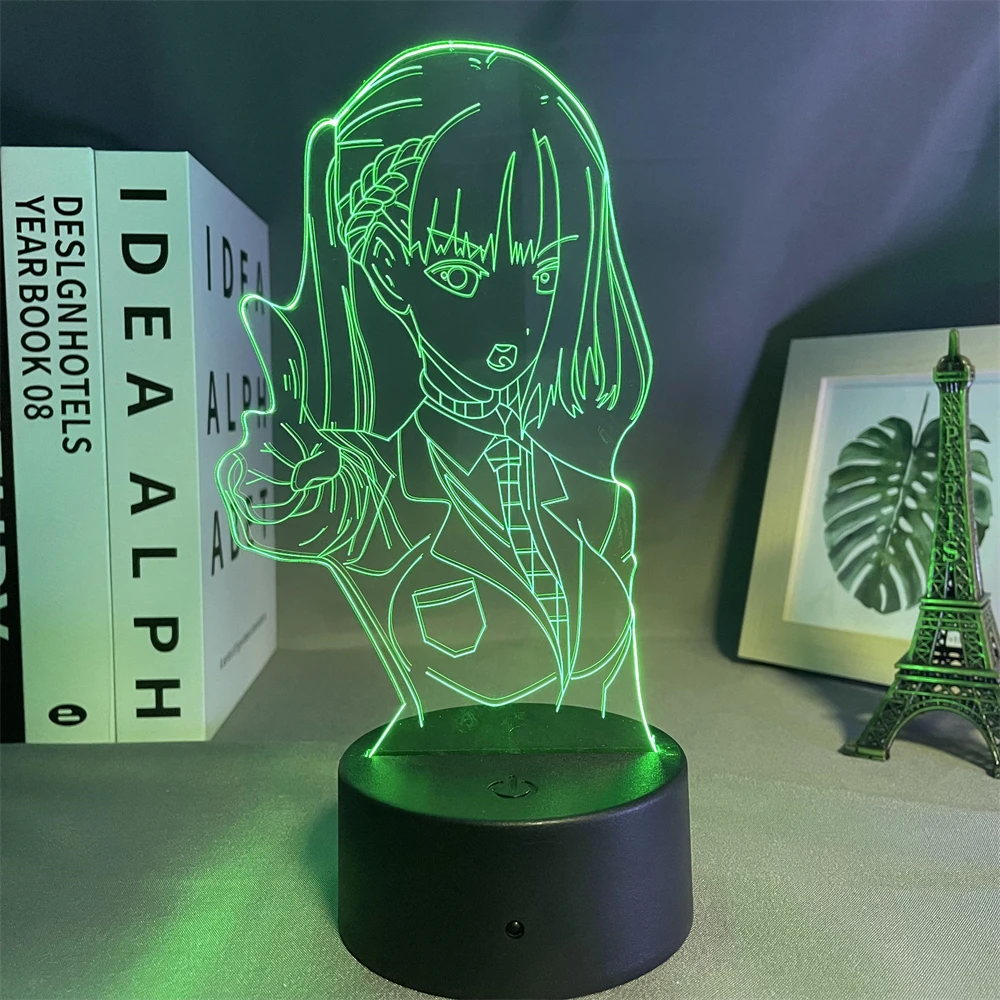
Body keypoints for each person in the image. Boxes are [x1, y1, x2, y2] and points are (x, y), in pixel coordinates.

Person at [216, 42, 655, 750]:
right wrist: (282, 471)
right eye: (459, 273)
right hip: (441, 779)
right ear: (390, 268)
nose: (511, 328)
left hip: (586, 788)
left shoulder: (603, 505)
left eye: (541, 274)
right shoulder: (379, 490)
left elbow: (620, 717)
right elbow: (309, 507)